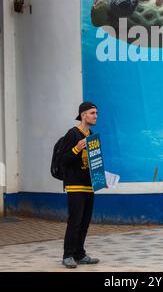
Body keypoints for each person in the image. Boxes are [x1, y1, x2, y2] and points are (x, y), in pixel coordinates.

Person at [61, 101, 100, 268]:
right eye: (92, 113)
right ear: (83, 115)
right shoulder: (73, 134)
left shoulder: (92, 136)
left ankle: (80, 254)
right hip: (75, 185)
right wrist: (76, 149)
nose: (95, 116)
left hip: (89, 185)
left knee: (85, 221)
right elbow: (63, 160)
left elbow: (94, 163)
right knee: (75, 221)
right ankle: (68, 255)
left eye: (96, 113)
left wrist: (100, 177)